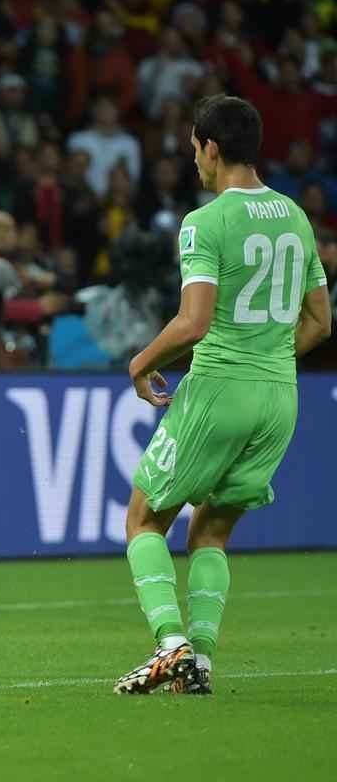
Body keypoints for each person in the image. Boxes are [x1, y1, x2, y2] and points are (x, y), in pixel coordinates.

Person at [115, 95, 331, 695]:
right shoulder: (295, 215)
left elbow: (194, 323)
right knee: (210, 532)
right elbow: (320, 322)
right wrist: (268, 358)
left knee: (143, 520)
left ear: (211, 147)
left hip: (218, 388)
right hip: (280, 398)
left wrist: (139, 363)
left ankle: (171, 642)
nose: (193, 162)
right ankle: (199, 664)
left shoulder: (205, 223)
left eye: (193, 150)